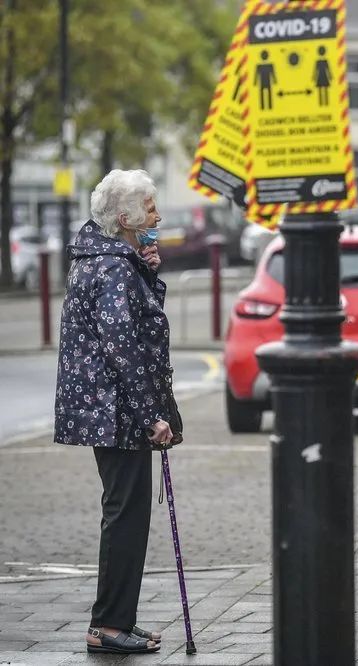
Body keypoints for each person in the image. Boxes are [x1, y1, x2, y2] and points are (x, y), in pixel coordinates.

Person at [55, 169, 181, 655]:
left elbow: (139, 323)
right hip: (114, 410)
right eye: (150, 207)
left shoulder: (115, 260)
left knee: (126, 513)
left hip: (109, 407)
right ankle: (107, 624)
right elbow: (123, 348)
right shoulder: (111, 268)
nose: (157, 215)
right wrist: (153, 415)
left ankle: (117, 618)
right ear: (125, 217)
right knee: (125, 515)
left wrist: (148, 271)